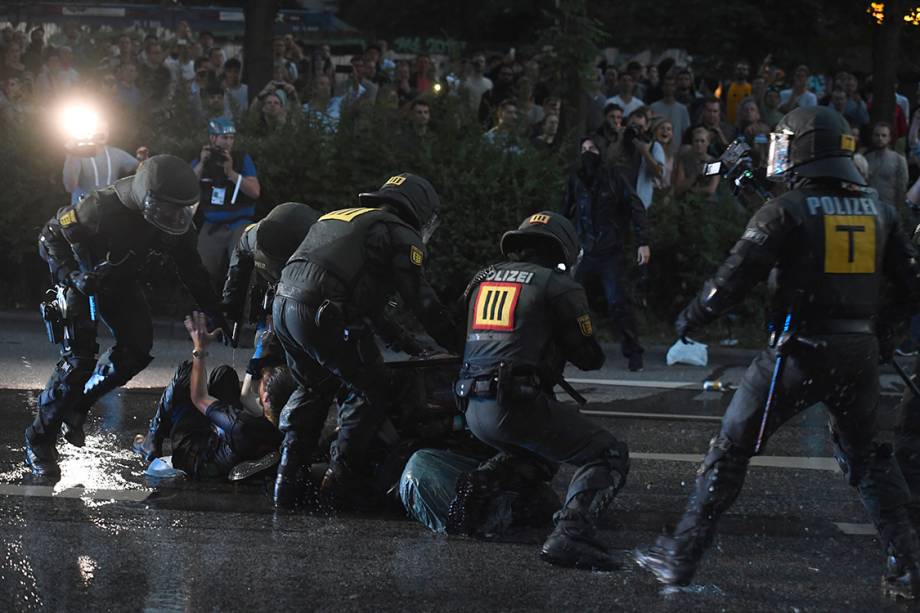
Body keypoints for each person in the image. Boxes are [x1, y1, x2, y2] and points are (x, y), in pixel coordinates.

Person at [633, 106, 920, 601]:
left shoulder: (787, 209)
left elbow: (734, 277)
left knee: (730, 451)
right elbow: (909, 287)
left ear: (804, 147)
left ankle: (679, 558)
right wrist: (885, 333)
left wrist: (690, 320)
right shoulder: (881, 210)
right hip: (857, 351)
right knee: (870, 460)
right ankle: (906, 565)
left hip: (797, 352)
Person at [26, 155, 231, 477]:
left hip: (119, 283)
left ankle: (78, 407)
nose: (177, 216)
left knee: (136, 350)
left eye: (183, 208)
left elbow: (192, 270)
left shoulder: (175, 224)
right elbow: (49, 237)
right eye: (170, 208)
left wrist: (214, 309)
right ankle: (39, 440)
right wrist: (72, 276)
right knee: (77, 362)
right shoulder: (101, 207)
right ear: (149, 200)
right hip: (81, 280)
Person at [452, 211, 629, 569]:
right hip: (515, 404)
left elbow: (459, 331)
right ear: (564, 251)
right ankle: (570, 535)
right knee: (607, 453)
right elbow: (589, 357)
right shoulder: (557, 284)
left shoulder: (483, 278)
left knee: (540, 453)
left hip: (470, 404)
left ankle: (485, 485)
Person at [271, 173, 460, 508]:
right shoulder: (399, 232)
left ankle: (287, 484)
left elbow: (368, 304)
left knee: (314, 388)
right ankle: (340, 482)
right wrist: (459, 343)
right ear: (419, 211)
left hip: (283, 308)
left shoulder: (342, 217)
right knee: (371, 386)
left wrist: (404, 340)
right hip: (324, 311)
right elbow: (423, 302)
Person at [132, 327, 289, 481]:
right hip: (233, 444)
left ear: (266, 398)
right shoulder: (287, 422)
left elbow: (199, 397)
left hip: (197, 456)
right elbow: (246, 396)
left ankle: (152, 439)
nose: (259, 383)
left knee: (186, 373)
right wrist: (261, 350)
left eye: (262, 382)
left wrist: (199, 349)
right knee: (224, 374)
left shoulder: (241, 424)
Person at [563, 138, 650, 371]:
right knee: (567, 301)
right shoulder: (576, 179)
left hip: (611, 250)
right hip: (585, 249)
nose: (587, 153)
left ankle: (633, 352)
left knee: (617, 303)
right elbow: (565, 211)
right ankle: (569, 349)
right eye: (583, 149)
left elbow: (635, 207)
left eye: (592, 149)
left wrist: (643, 242)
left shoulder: (614, 177)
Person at [220, 202, 322, 341]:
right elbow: (238, 264)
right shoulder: (252, 237)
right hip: (273, 273)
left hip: (305, 275)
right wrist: (232, 302)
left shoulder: (316, 245)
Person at [193, 117, 260, 291]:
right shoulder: (202, 159)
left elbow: (255, 191)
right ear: (213, 138)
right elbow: (187, 187)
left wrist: (231, 172)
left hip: (239, 222)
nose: (228, 142)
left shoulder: (241, 158)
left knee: (240, 267)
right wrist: (201, 164)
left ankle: (240, 312)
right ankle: (205, 313)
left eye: (231, 138)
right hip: (212, 224)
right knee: (201, 269)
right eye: (224, 138)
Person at [62, 122, 142, 205]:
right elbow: (70, 187)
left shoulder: (116, 154)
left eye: (106, 129)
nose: (103, 132)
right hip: (82, 211)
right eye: (98, 128)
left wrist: (143, 158)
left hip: (108, 210)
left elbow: (141, 167)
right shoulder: (78, 154)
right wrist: (71, 155)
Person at [865, 122, 909, 209]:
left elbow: (902, 189)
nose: (880, 138)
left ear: (889, 138)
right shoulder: (866, 159)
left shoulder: (899, 160)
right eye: (877, 135)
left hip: (890, 208)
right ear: (872, 137)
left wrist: (900, 211)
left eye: (884, 135)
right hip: (870, 207)